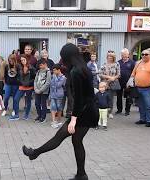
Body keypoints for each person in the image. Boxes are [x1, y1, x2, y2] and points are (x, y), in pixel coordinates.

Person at [22, 43, 99, 180]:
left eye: (63, 57)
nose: (62, 59)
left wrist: (73, 119)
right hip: (89, 110)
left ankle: (34, 153)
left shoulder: (76, 71)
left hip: (83, 113)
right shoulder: (83, 68)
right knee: (77, 142)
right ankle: (81, 175)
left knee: (60, 137)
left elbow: (79, 99)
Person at [131, 48, 150, 127]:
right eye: (142, 54)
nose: (144, 56)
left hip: (148, 88)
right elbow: (133, 73)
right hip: (138, 87)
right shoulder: (139, 63)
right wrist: (131, 81)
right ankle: (142, 119)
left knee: (148, 105)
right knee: (141, 105)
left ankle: (149, 120)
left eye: (146, 54)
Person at [9, 55, 36, 121]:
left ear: (26, 60)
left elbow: (34, 78)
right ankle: (16, 115)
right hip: (21, 86)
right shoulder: (20, 67)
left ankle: (26, 115)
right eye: (21, 60)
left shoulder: (31, 68)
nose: (22, 61)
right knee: (15, 99)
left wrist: (29, 83)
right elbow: (18, 76)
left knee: (28, 101)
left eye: (24, 60)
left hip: (29, 87)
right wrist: (20, 81)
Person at [99, 52, 121, 119]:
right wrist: (108, 77)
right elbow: (100, 74)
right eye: (109, 56)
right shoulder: (104, 64)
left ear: (113, 57)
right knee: (103, 98)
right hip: (105, 84)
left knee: (110, 99)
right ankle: (103, 111)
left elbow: (119, 74)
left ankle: (110, 112)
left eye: (111, 56)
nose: (110, 58)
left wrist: (113, 78)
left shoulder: (117, 64)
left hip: (112, 84)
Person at [116, 48, 135, 116]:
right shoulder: (118, 62)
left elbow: (134, 72)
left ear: (128, 54)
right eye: (122, 54)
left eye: (125, 54)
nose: (123, 56)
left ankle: (127, 111)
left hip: (128, 83)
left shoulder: (132, 62)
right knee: (119, 96)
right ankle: (119, 110)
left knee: (128, 97)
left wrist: (132, 81)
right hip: (119, 82)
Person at [50, 64, 66, 128]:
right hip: (53, 94)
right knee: (53, 107)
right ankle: (54, 121)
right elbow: (51, 84)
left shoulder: (63, 77)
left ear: (59, 70)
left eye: (54, 70)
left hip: (59, 95)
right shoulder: (53, 76)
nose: (53, 72)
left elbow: (58, 85)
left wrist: (55, 78)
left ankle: (59, 120)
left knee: (59, 107)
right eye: (53, 70)